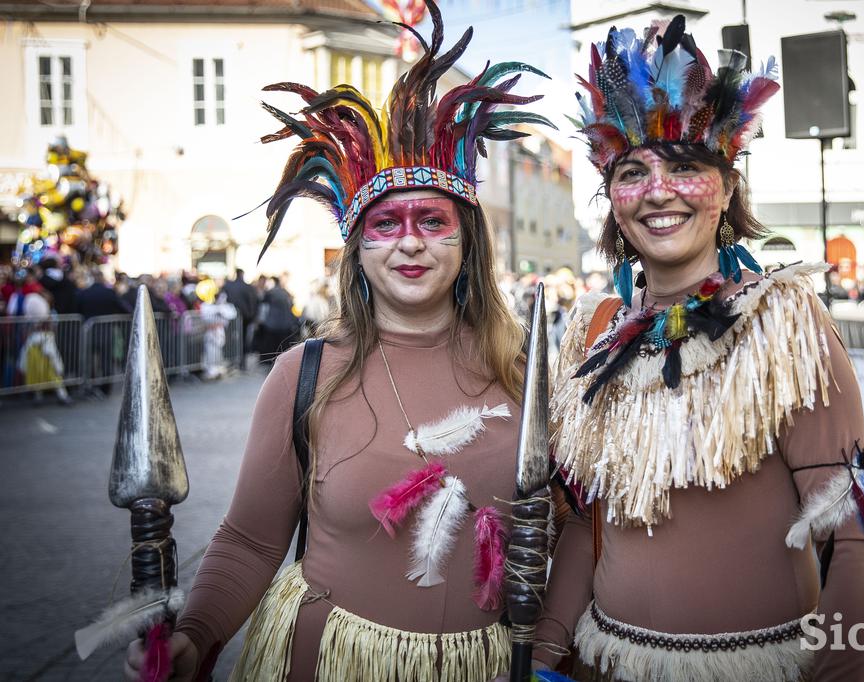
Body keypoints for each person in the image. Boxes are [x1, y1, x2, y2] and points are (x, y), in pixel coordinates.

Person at [123, 2, 549, 679]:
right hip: (330, 661)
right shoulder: (305, 374)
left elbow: (575, 534)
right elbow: (248, 539)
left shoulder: (527, 373)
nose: (409, 241)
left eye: (432, 219)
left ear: (467, 243)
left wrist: (549, 659)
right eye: (385, 224)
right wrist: (196, 635)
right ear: (356, 251)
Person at [533, 18, 864, 682]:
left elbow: (854, 535)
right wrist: (545, 657)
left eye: (685, 168)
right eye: (631, 172)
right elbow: (579, 525)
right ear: (611, 201)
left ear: (730, 189)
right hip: (604, 665)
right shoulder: (591, 333)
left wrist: (840, 673)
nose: (657, 191)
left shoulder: (783, 321)